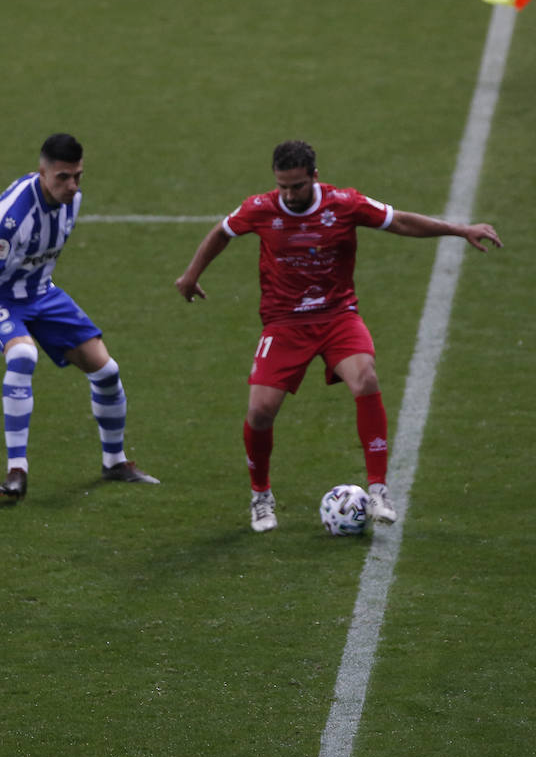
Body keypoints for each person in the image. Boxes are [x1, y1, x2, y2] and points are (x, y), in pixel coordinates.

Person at [174, 140, 503, 532]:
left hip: (337, 317)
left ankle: (378, 490)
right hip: (284, 324)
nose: (289, 195)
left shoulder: (344, 204)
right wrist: (191, 275)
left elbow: (398, 221)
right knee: (260, 412)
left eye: (296, 186)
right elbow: (222, 233)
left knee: (365, 378)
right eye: (282, 186)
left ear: (314, 176)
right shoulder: (260, 208)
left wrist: (458, 229)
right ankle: (261, 495)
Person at [0, 133, 158, 498]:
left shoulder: (74, 202)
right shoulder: (13, 216)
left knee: (107, 371)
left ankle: (114, 461)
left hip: (41, 292)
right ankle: (17, 470)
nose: (72, 186)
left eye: (78, 176)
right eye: (63, 178)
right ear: (43, 173)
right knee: (22, 356)